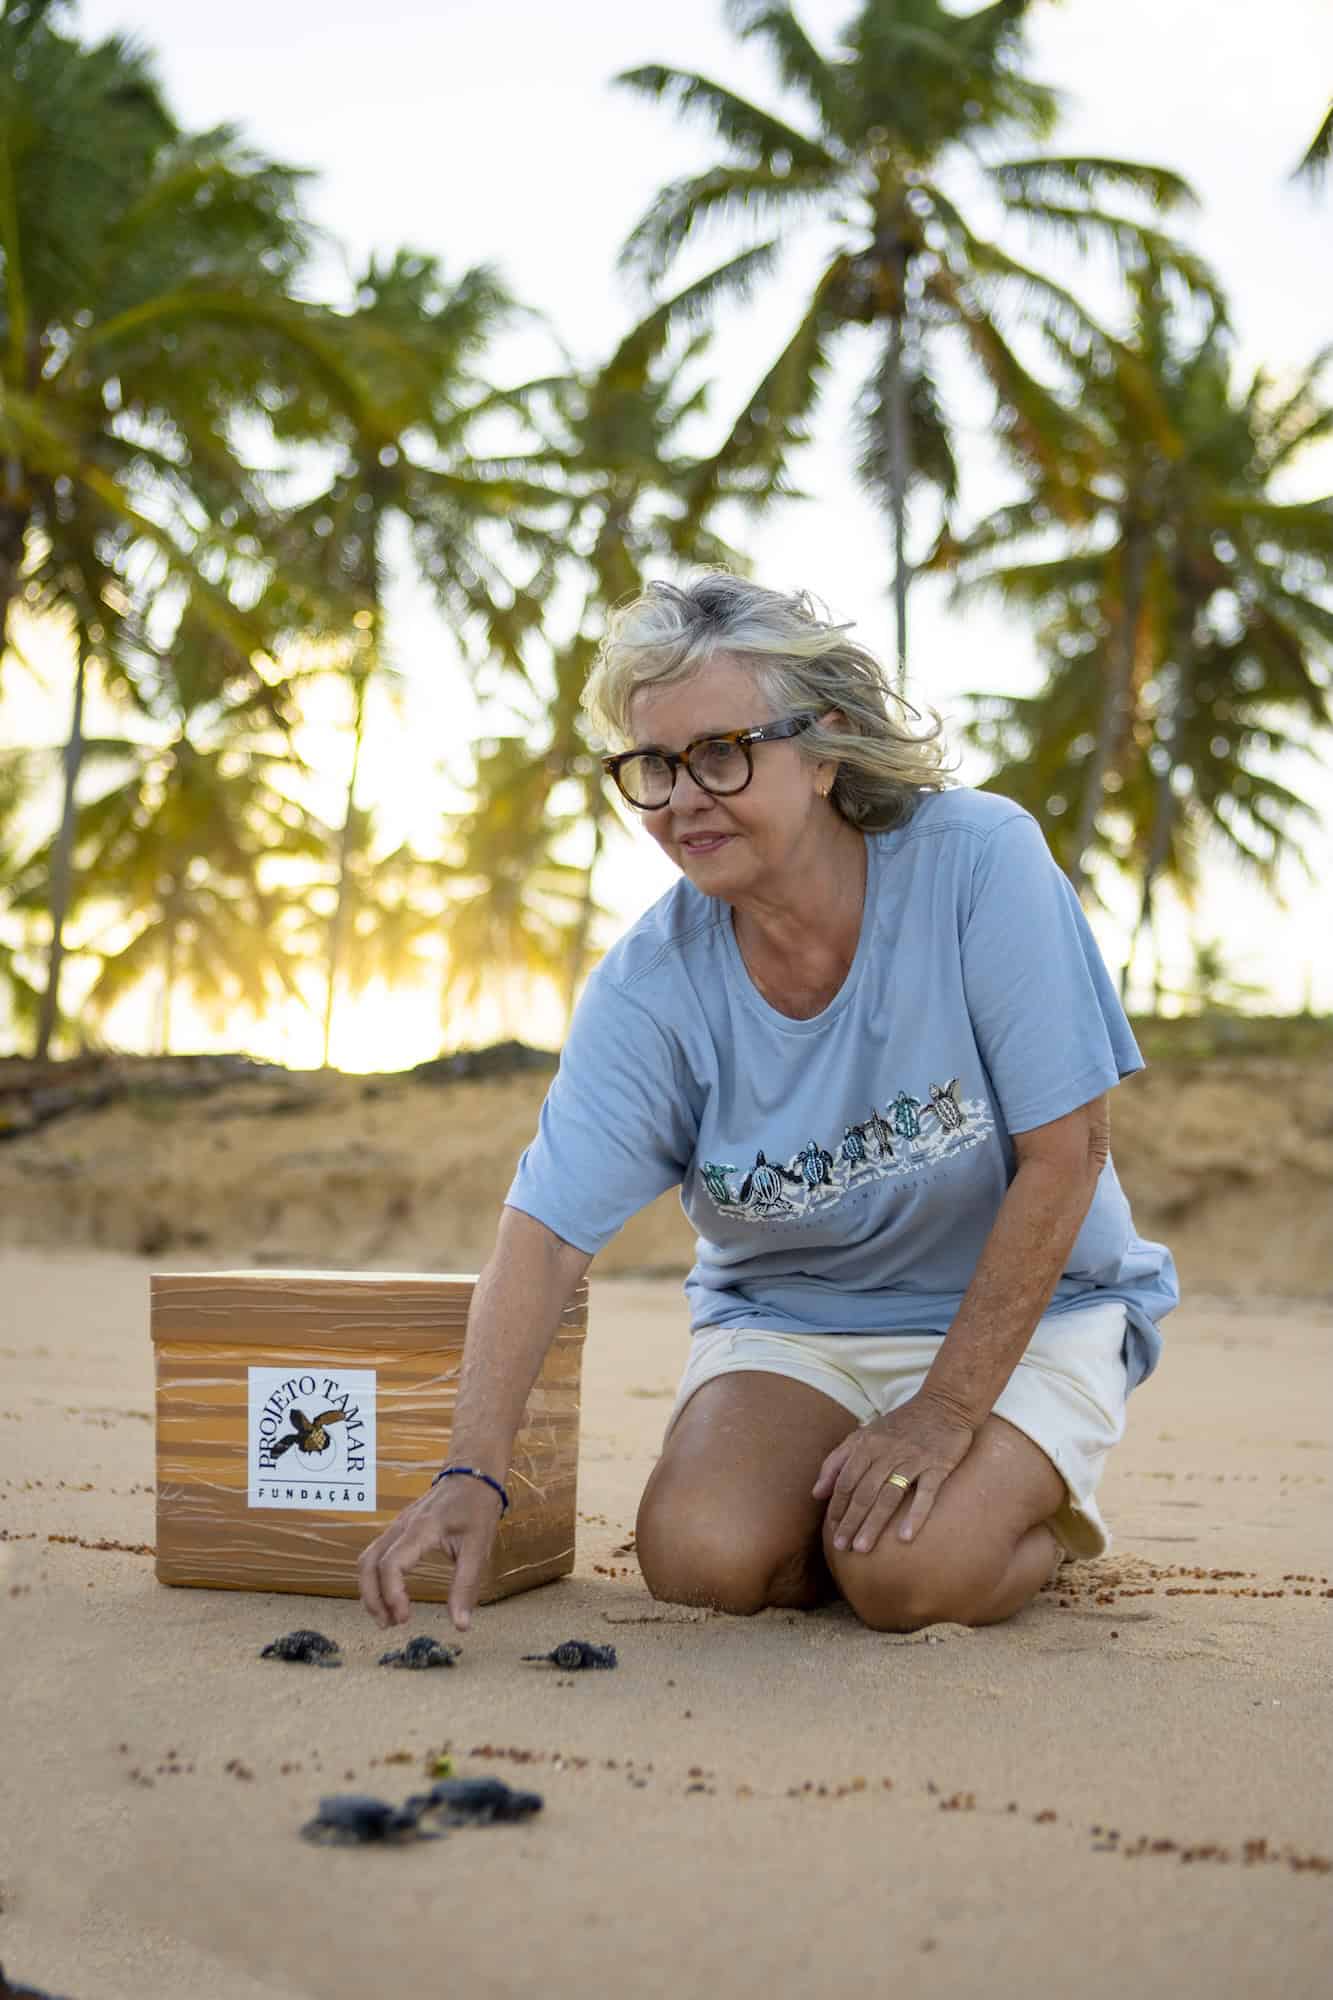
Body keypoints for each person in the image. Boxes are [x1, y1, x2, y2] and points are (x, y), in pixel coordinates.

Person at [358, 574, 1177, 1636]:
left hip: (1033, 1314)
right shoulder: (652, 983)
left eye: (720, 752)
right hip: (796, 1324)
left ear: (825, 748)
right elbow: (546, 1233)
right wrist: (472, 1467)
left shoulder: (978, 862)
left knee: (906, 1578)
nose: (682, 797)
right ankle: (864, 1513)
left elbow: (1066, 1154)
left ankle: (990, 1516)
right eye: (652, 766)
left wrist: (942, 1411)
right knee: (698, 1556)